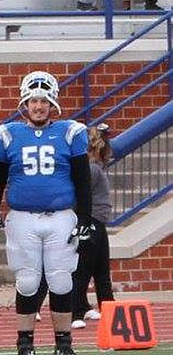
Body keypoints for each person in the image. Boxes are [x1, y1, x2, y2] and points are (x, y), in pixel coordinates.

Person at [0, 70, 90, 355]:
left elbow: (82, 179)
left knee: (60, 281)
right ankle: (24, 345)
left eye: (44, 101)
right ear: (25, 103)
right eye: (34, 100)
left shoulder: (70, 132)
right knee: (28, 281)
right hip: (23, 217)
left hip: (60, 217)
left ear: (53, 103)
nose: (39, 106)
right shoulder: (8, 135)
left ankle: (64, 344)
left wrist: (84, 218)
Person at [70, 124, 113, 328]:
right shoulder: (91, 168)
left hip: (99, 221)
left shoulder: (96, 167)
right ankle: (75, 311)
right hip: (92, 220)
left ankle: (108, 308)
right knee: (84, 269)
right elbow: (81, 196)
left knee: (101, 269)